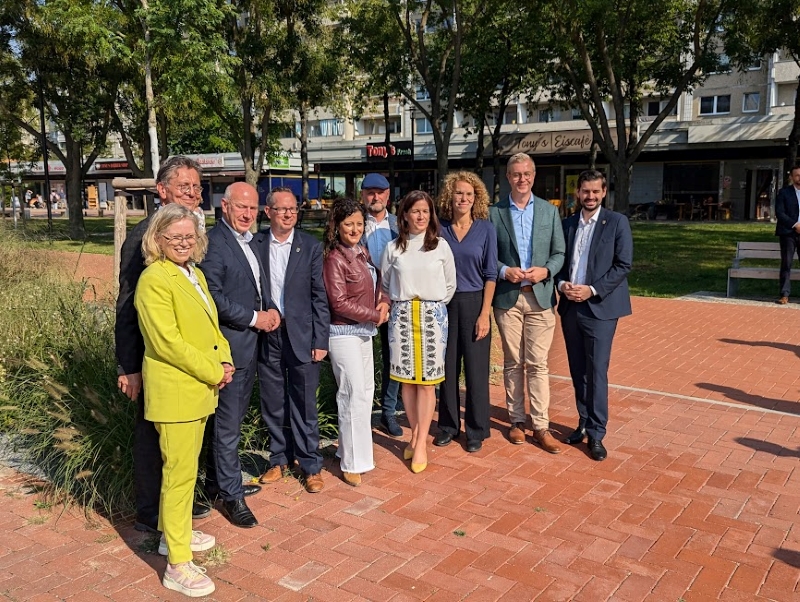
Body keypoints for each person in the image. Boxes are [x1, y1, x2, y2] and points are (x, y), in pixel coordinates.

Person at [135, 204, 233, 597]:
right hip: (177, 391)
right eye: (174, 236)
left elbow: (212, 325)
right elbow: (167, 343)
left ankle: (172, 534)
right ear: (157, 239)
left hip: (198, 390)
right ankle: (177, 565)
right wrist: (213, 370)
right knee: (178, 476)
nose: (182, 242)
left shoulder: (194, 273)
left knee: (185, 471)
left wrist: (225, 358)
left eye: (189, 236)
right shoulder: (154, 280)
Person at [115, 155, 210, 534]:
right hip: (154, 358)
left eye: (197, 186)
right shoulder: (145, 237)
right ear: (162, 190)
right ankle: (151, 513)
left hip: (189, 360)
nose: (192, 192)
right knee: (152, 438)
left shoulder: (190, 231)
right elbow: (126, 306)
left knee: (179, 444)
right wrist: (129, 366)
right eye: (184, 186)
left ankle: (176, 507)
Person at [196, 182, 280, 528]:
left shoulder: (250, 242)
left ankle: (216, 484)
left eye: (252, 208)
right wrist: (255, 318)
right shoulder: (215, 244)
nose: (247, 214)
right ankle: (232, 497)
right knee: (227, 426)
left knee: (230, 422)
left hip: (250, 347)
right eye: (241, 207)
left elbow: (257, 287)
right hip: (229, 348)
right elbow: (213, 297)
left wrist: (270, 310)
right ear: (225, 207)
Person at [255, 187, 331, 493]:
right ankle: (279, 459)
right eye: (282, 209)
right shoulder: (255, 244)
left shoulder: (309, 246)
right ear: (268, 212)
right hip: (268, 333)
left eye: (293, 209)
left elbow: (319, 296)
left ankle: (311, 465)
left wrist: (321, 339)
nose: (288, 214)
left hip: (302, 335)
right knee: (273, 400)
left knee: (304, 402)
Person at [489, 153, 565, 453]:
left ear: (534, 176)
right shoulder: (494, 213)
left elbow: (559, 252)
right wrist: (503, 270)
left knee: (537, 363)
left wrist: (546, 271)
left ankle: (541, 425)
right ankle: (517, 421)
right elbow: (488, 255)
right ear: (508, 177)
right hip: (508, 297)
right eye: (516, 174)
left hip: (540, 297)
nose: (522, 179)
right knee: (512, 362)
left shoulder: (549, 211)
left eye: (527, 174)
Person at [556, 169, 633, 462]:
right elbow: (559, 261)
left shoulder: (616, 222)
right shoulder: (567, 224)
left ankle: (597, 433)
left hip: (600, 307)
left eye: (595, 191)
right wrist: (562, 285)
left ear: (603, 193)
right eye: (585, 191)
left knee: (597, 370)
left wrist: (592, 290)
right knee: (578, 369)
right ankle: (583, 421)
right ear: (578, 193)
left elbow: (623, 264)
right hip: (570, 307)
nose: (590, 196)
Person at [381, 190, 456, 473]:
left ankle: (421, 442)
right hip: (401, 317)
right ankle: (414, 433)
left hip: (431, 318)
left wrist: (431, 307)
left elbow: (450, 285)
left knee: (427, 383)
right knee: (407, 382)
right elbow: (385, 283)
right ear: (404, 215)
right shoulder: (393, 248)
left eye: (425, 211)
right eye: (415, 211)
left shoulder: (440, 246)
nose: (421, 216)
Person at [322, 198, 390, 487]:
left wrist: (384, 302)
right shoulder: (335, 258)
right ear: (336, 226)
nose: (354, 229)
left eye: (359, 224)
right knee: (352, 395)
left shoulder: (362, 251)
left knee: (365, 392)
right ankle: (352, 462)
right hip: (343, 333)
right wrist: (375, 315)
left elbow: (378, 281)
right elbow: (338, 302)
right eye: (348, 224)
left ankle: (349, 450)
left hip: (363, 331)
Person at [435, 172, 497, 453]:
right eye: (459, 193)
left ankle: (476, 429)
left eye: (469, 194)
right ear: (450, 196)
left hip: (475, 303)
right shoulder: (439, 228)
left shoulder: (486, 229)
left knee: (476, 370)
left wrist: (485, 314)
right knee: (447, 369)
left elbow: (491, 274)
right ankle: (448, 426)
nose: (463, 198)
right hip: (445, 304)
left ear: (476, 198)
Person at [361, 173, 403, 438]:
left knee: (393, 357)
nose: (375, 197)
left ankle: (388, 411)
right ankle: (361, 411)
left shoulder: (400, 225)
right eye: (370, 192)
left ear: (388, 195)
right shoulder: (353, 222)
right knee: (362, 359)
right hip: (361, 302)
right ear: (363, 195)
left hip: (394, 301)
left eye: (380, 192)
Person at [775, 164, 800, 304]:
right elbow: (780, 213)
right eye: (797, 175)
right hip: (788, 233)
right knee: (786, 263)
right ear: (791, 177)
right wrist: (795, 225)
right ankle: (784, 294)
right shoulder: (784, 193)